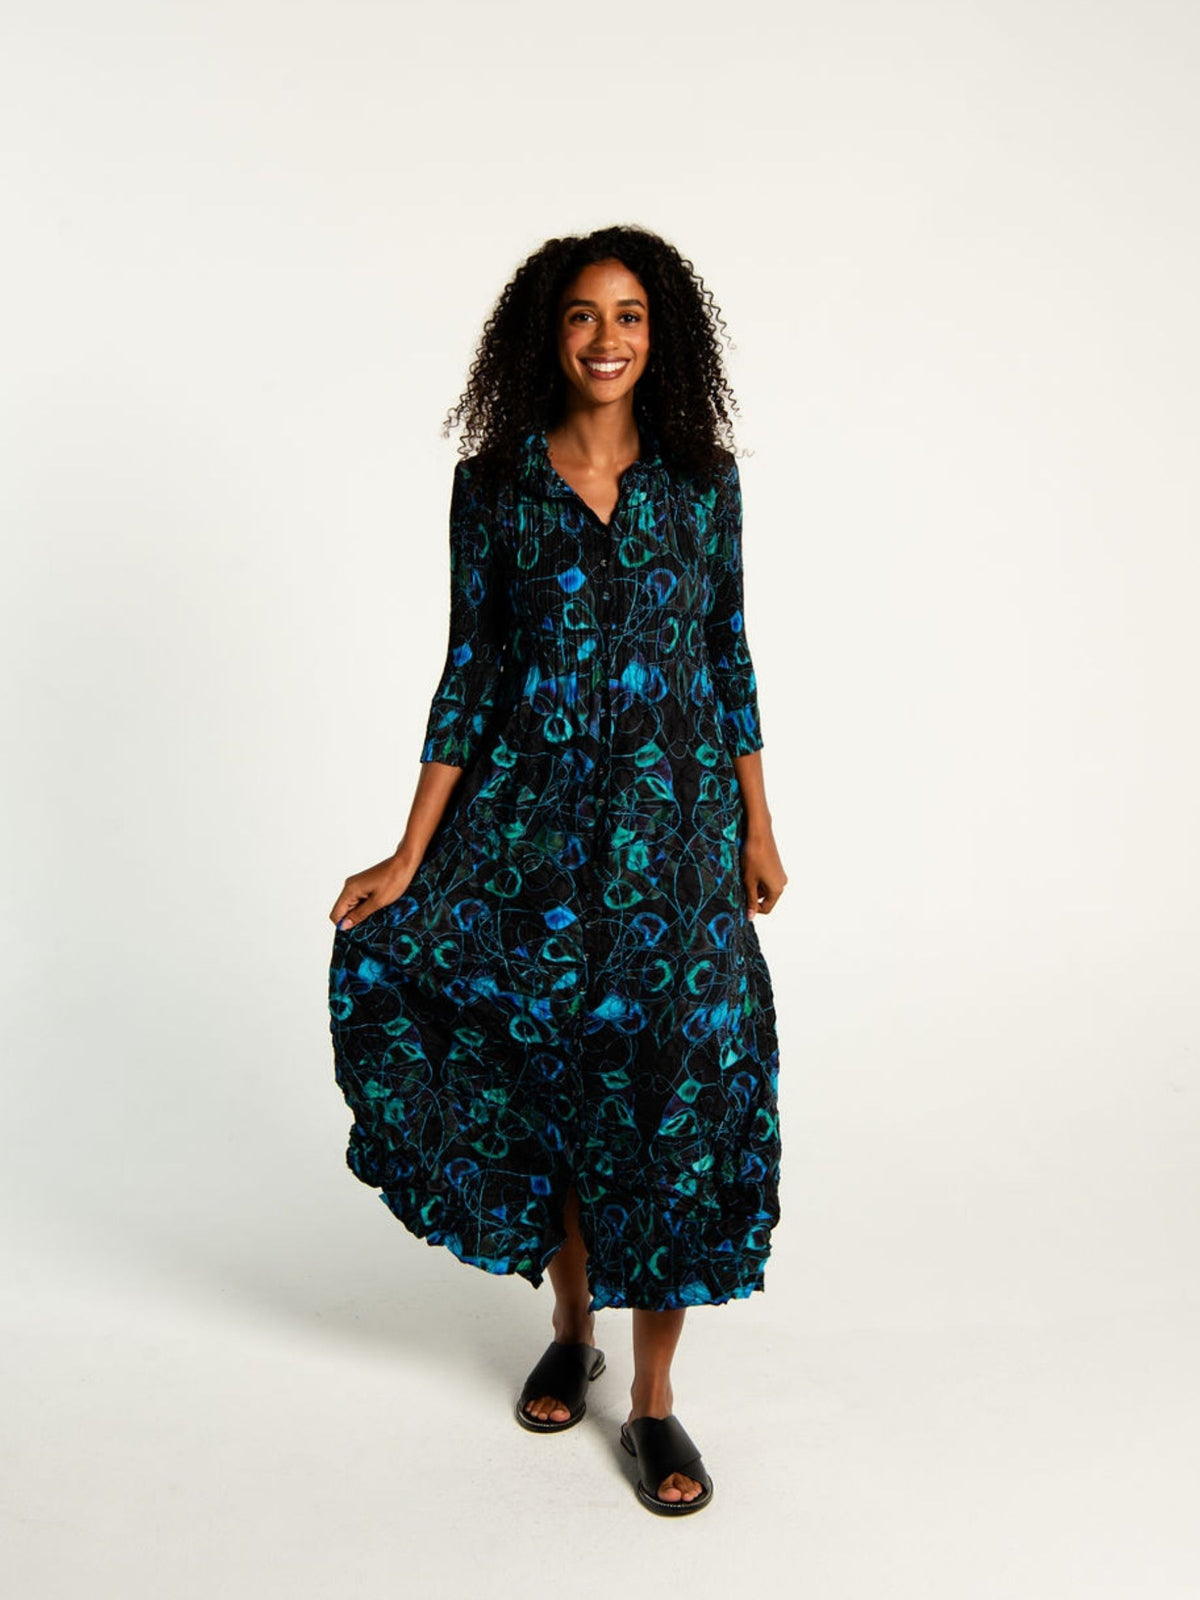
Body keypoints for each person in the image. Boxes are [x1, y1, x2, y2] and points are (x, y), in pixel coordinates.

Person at [328, 224, 788, 1516]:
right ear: (551, 333)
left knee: (674, 1091)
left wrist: (758, 826)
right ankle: (572, 1331)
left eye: (630, 315)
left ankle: (652, 1402)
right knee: (553, 1082)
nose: (606, 338)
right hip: (528, 840)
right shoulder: (496, 486)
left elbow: (728, 655)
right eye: (584, 315)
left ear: (662, 335)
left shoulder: (702, 483)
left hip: (678, 840)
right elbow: (470, 672)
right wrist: (412, 851)